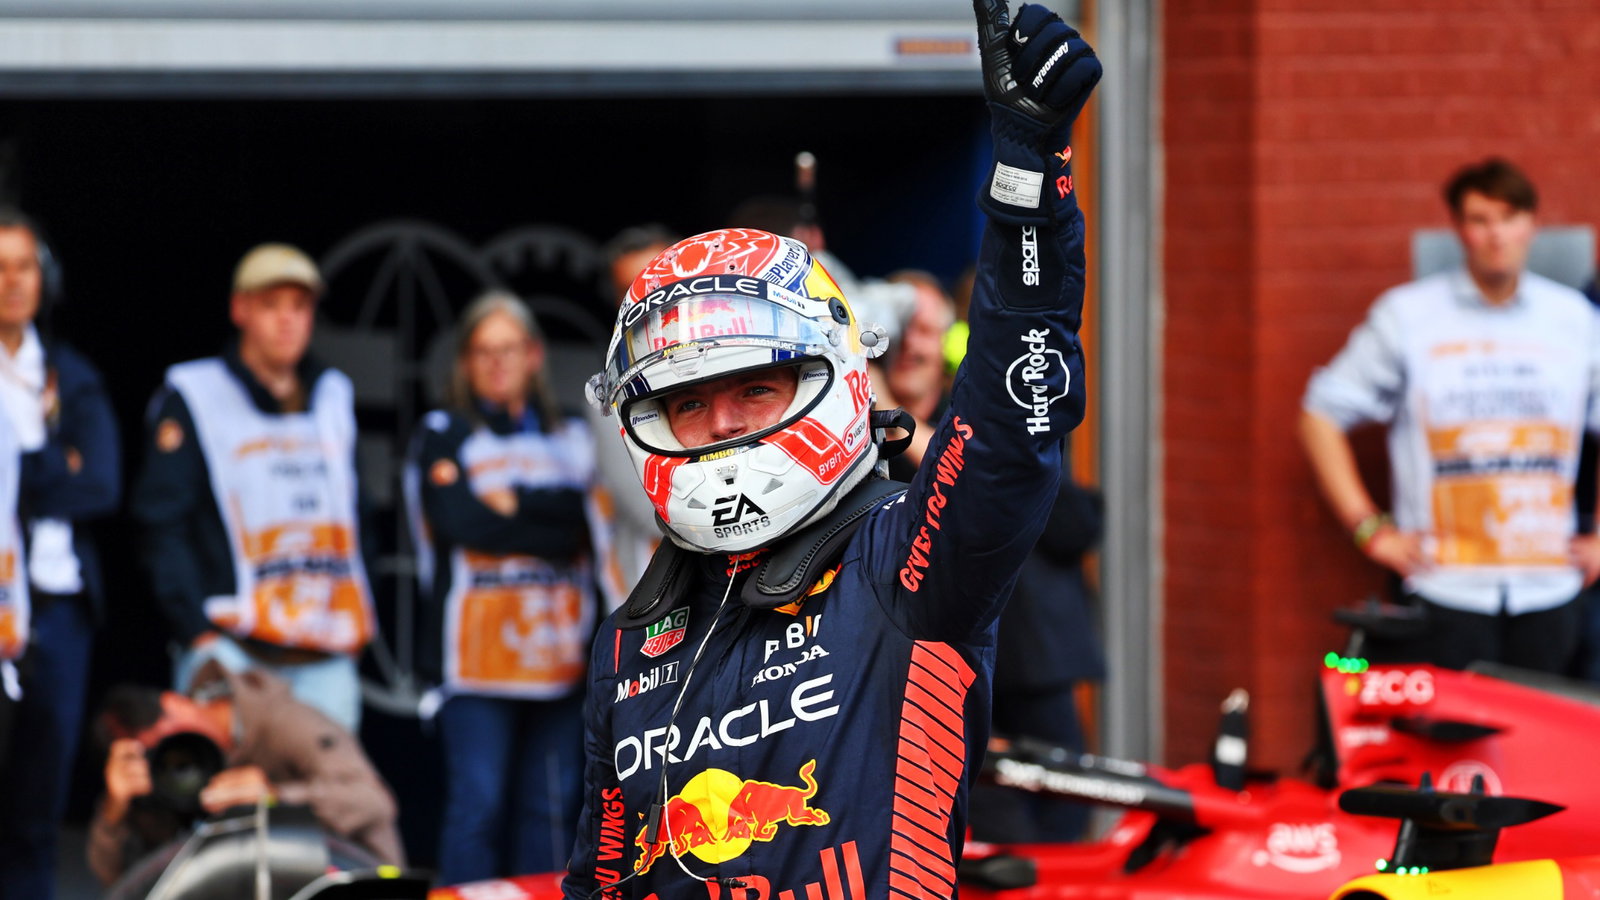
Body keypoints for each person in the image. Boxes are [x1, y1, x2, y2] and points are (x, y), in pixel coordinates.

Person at [563, 2, 1099, 896]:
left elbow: (1008, 433)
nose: (723, 422)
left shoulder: (905, 564)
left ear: (838, 382)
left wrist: (1028, 178)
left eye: (755, 389)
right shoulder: (628, 641)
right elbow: (601, 878)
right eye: (688, 402)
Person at [1301, 158, 1600, 672]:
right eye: (1480, 220)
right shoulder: (1409, 316)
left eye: (1508, 218)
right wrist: (1369, 528)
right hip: (1444, 588)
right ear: (1460, 229)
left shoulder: (1573, 319)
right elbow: (1320, 416)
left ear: (1532, 224)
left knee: (1544, 723)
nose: (1496, 235)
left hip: (1549, 590)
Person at [406, 291, 613, 880]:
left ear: (534, 354)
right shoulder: (443, 431)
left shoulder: (573, 434)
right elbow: (461, 522)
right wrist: (549, 518)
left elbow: (584, 523)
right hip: (474, 664)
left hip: (559, 661)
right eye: (483, 351)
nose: (497, 363)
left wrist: (515, 501)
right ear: (464, 361)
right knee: (479, 807)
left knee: (550, 812)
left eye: (509, 349)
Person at [130, 243, 375, 730]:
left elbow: (360, 520)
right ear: (239, 309)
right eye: (271, 305)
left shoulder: (333, 397)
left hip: (324, 661)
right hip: (233, 651)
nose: (287, 320)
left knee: (332, 784)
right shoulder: (196, 394)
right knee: (227, 783)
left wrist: (354, 633)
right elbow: (161, 522)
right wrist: (196, 632)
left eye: (299, 306)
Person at [0, 208, 122, 899]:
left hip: (57, 607)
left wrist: (26, 466)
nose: (13, 281)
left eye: (25, 266)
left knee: (38, 800)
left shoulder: (68, 376)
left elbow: (100, 483)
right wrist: (54, 462)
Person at [88, 661, 405, 885]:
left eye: (174, 752)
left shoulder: (283, 721)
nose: (177, 764)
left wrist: (276, 798)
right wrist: (115, 809)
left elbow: (374, 802)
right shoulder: (160, 776)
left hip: (346, 877)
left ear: (176, 704)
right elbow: (123, 883)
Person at [590, 226, 681, 589]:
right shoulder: (608, 391)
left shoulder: (742, 355)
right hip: (658, 599)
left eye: (660, 283)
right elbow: (652, 512)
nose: (650, 300)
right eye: (632, 289)